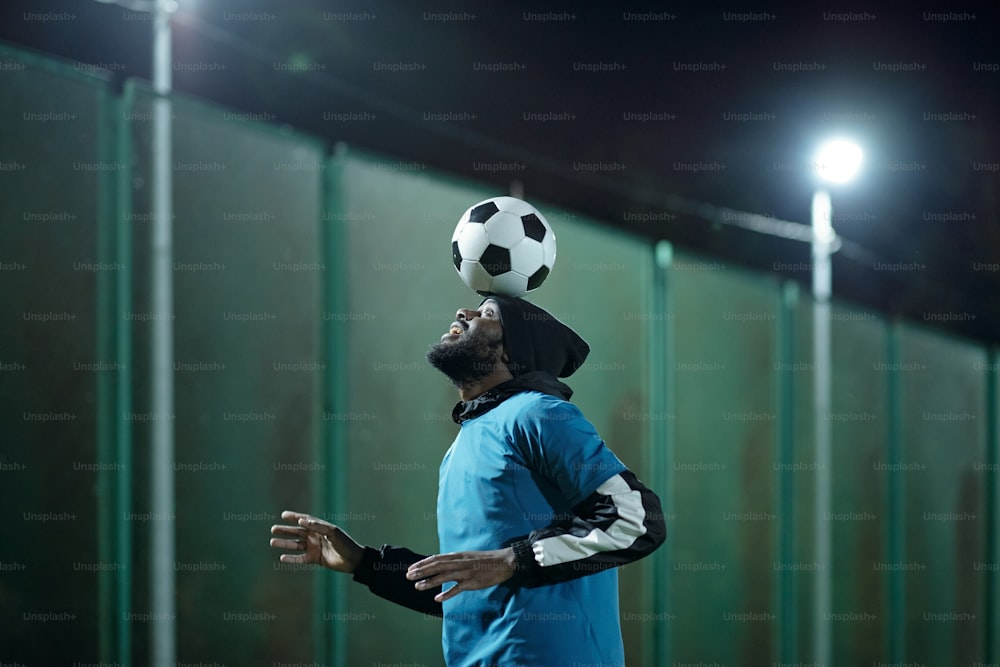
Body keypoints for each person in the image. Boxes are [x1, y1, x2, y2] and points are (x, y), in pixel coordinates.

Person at [270, 295, 666, 666]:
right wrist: (365, 562)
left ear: (512, 352)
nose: (466, 313)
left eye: (489, 314)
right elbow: (468, 585)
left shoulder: (540, 414)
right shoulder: (461, 447)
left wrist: (514, 559)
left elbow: (637, 519)